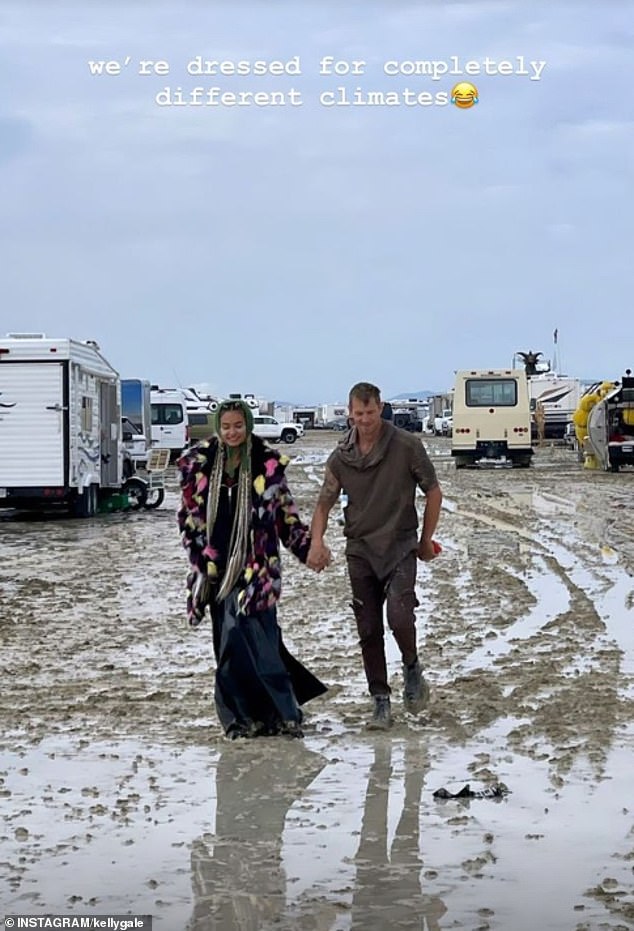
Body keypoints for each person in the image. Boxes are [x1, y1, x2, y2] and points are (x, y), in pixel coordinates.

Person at [177, 398, 329, 740]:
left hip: (256, 569)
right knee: (229, 644)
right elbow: (187, 519)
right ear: (218, 427)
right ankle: (239, 719)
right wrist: (199, 557)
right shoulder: (199, 466)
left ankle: (283, 716)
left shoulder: (265, 466)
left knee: (262, 642)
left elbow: (286, 517)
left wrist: (310, 550)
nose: (232, 433)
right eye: (226, 427)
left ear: (248, 426)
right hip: (217, 571)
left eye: (238, 426)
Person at [307, 382, 442, 730]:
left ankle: (412, 667)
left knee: (399, 617)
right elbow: (324, 502)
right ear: (350, 412)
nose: (364, 420)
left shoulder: (407, 446)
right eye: (358, 413)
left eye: (370, 412)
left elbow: (434, 492)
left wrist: (426, 540)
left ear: (380, 408)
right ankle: (380, 701)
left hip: (399, 545)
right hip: (361, 550)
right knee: (368, 629)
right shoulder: (341, 457)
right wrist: (317, 542)